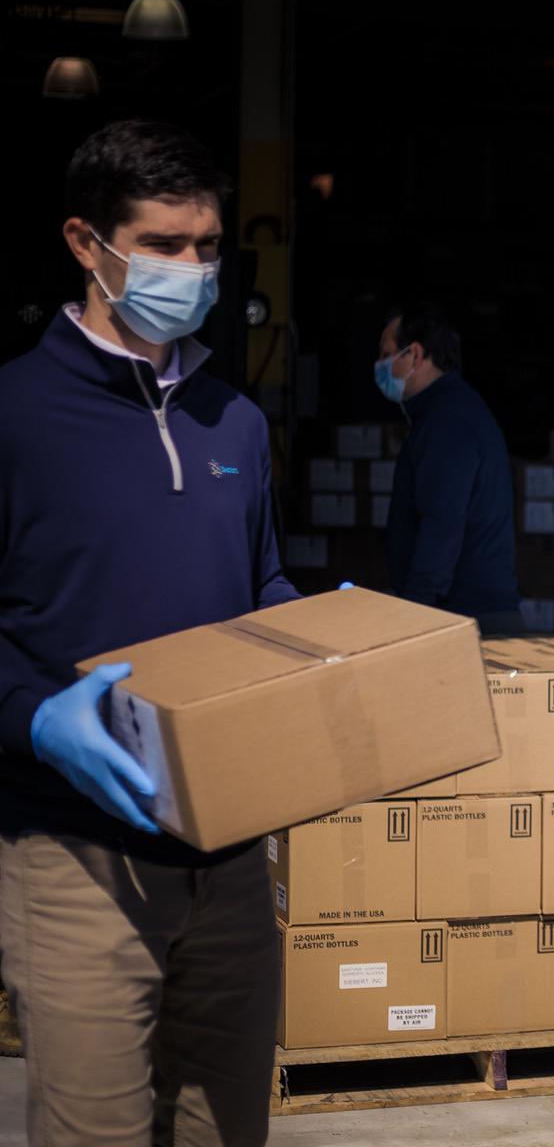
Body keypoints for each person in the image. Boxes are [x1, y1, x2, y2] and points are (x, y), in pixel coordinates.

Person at [0, 119, 299, 1145]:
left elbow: (260, 577)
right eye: (163, 245)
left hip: (231, 845)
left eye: (206, 246)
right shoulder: (16, 414)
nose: (192, 268)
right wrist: (33, 718)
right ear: (86, 243)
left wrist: (319, 638)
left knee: (228, 1126)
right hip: (75, 853)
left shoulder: (235, 421)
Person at [374, 303, 522, 634]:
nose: (380, 365)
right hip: (464, 616)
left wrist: (414, 613)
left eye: (386, 354)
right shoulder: (448, 413)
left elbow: (441, 523)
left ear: (414, 354)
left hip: (465, 621)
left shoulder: (447, 423)